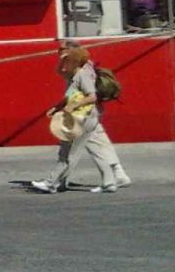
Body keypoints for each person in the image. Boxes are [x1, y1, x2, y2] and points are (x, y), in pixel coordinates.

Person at [30, 44, 131, 193]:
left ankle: (53, 182)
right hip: (87, 115)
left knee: (69, 150)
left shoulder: (82, 72)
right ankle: (112, 179)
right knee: (96, 148)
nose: (61, 57)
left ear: (74, 56)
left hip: (84, 116)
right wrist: (58, 107)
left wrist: (71, 106)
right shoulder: (76, 71)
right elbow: (64, 78)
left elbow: (90, 96)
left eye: (64, 54)